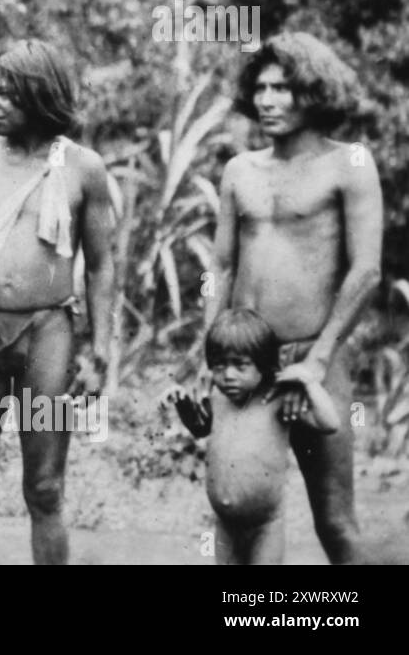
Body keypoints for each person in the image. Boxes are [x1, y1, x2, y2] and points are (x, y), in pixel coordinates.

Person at [0, 38, 115, 564]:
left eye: (7, 94)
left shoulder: (83, 168)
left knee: (46, 488)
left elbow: (100, 266)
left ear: (40, 95)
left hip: (48, 335)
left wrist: (100, 353)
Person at [208, 32, 382, 564]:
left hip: (313, 360)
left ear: (314, 91)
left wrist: (320, 358)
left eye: (283, 88)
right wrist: (209, 351)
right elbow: (220, 266)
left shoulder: (349, 163)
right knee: (237, 510)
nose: (267, 100)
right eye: (260, 88)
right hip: (242, 361)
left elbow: (367, 271)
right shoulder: (241, 170)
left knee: (334, 519)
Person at [166, 308, 340, 564]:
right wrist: (182, 405)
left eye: (240, 365)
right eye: (219, 365)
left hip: (265, 527)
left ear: (263, 365)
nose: (228, 375)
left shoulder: (276, 401)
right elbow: (199, 428)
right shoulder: (217, 399)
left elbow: (330, 423)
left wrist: (310, 382)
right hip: (225, 526)